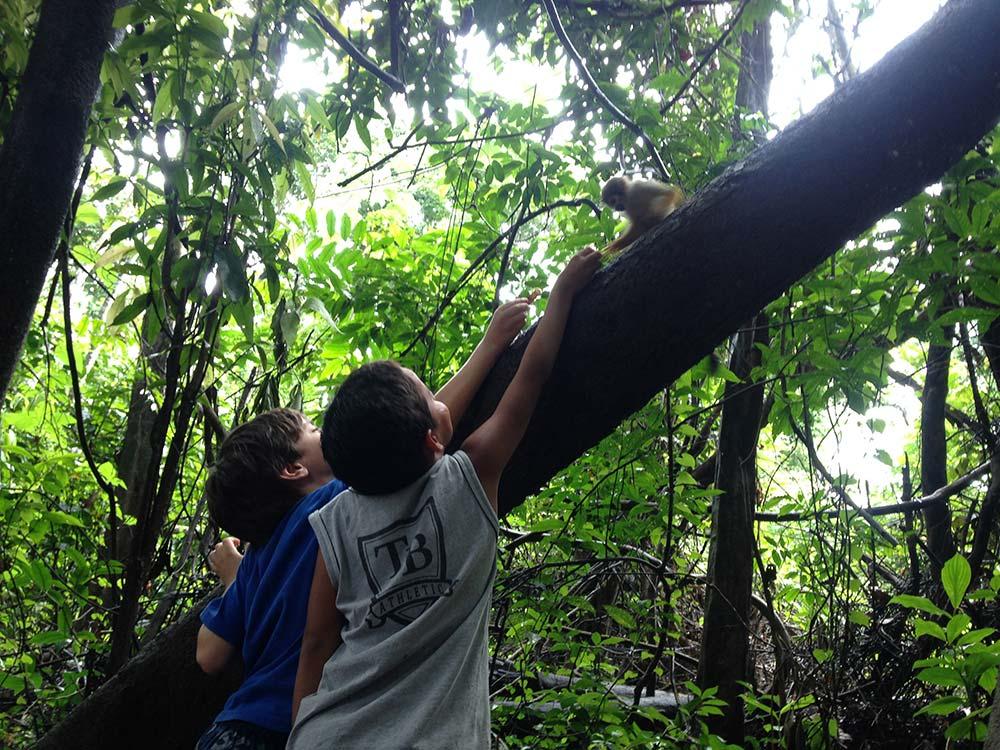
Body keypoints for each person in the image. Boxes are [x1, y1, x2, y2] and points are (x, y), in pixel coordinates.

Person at [287, 246, 601, 749]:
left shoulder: (335, 519)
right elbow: (533, 376)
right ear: (433, 439)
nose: (440, 397)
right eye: (430, 394)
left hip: (329, 734)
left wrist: (298, 734)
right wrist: (562, 293)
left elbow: (317, 642)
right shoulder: (471, 473)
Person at [194, 299, 534, 750]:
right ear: (293, 470)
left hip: (230, 730)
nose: (327, 434)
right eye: (314, 431)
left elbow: (209, 654)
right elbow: (410, 428)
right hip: (300, 725)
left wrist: (234, 579)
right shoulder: (334, 509)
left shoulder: (257, 560)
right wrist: (490, 345)